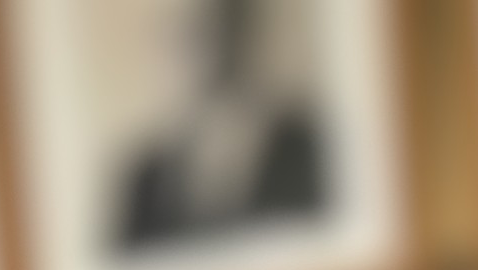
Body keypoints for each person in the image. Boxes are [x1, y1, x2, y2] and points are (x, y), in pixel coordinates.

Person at [113, 0, 335, 252]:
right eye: (193, 33)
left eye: (220, 29)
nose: (208, 50)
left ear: (246, 36)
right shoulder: (147, 178)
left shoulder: (302, 146)